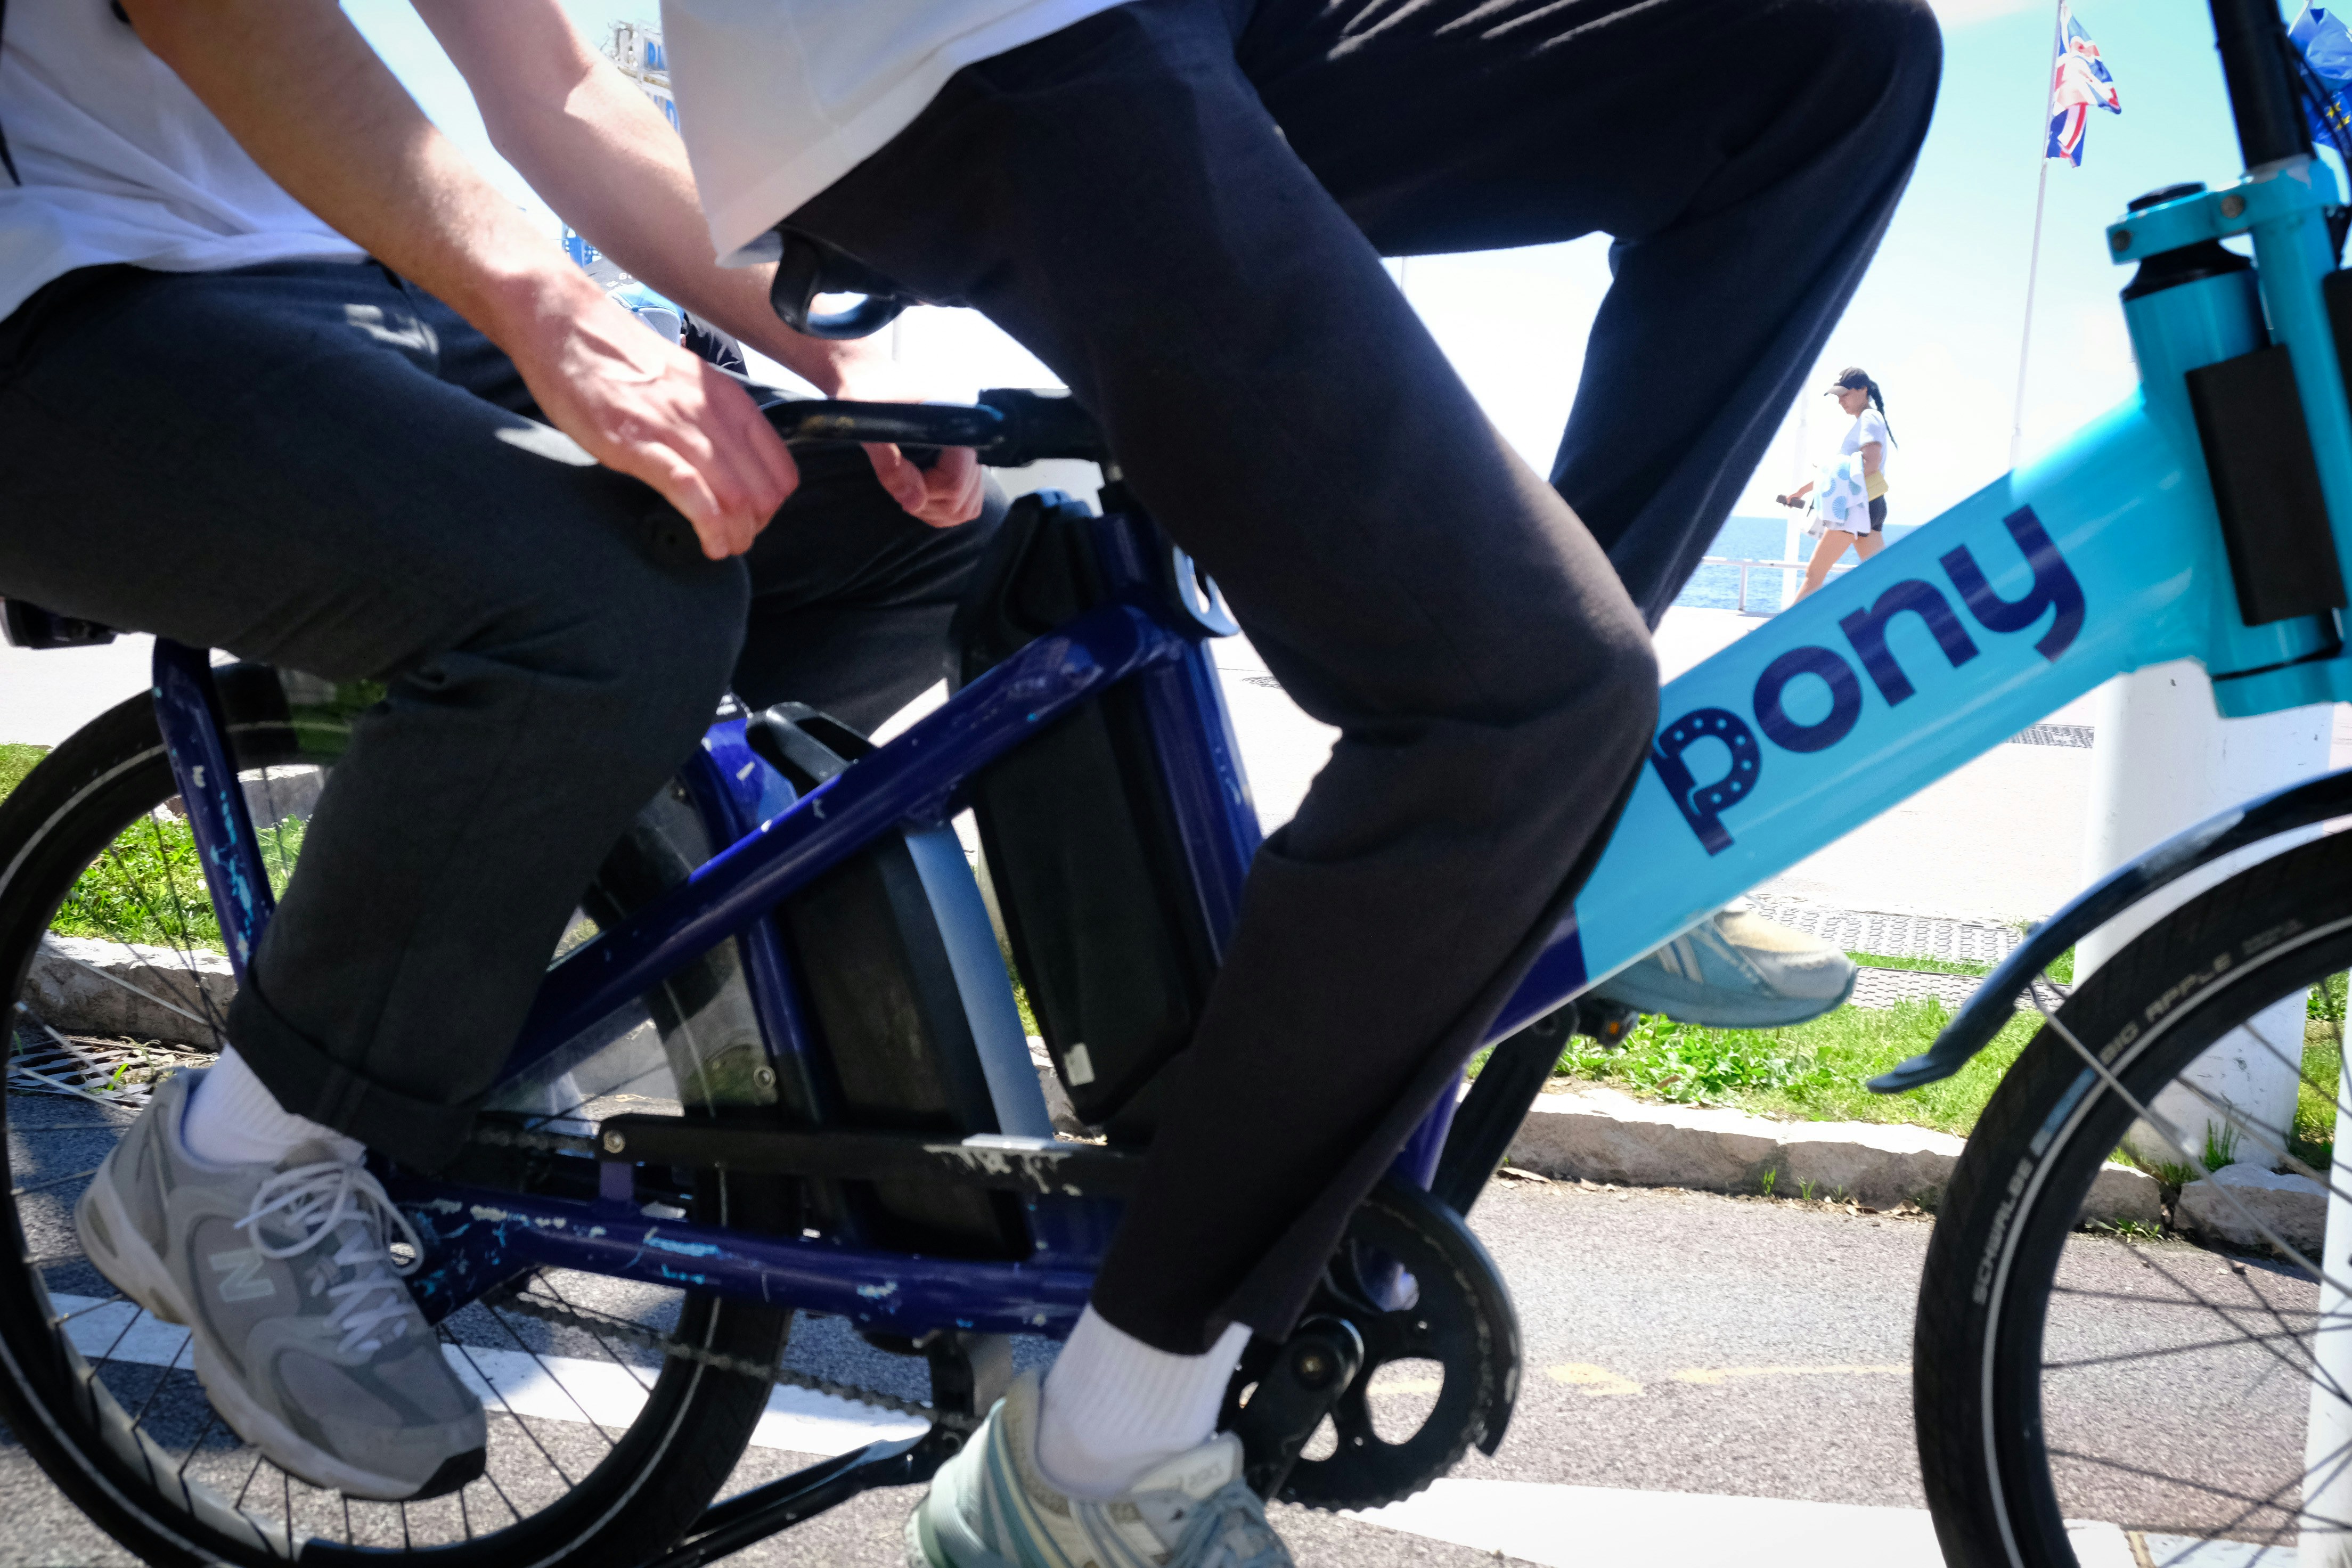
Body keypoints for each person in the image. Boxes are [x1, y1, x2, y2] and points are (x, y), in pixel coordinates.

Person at [652, 2, 1941, 1563]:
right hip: (955, 40)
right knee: (1513, 698)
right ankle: (1092, 1461)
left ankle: (1568, 819)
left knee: (1827, 60)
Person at [0, 0, 994, 1502]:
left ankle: (474, 1011)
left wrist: (824, 352)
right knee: (595, 609)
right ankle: (237, 1161)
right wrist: (546, 305)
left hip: (345, 284)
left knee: (927, 545)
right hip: (64, 296)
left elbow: (557, 82)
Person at [1783, 368, 1897, 602]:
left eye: (1845, 394)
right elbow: (1846, 471)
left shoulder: (1869, 418)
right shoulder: (1866, 420)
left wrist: (1834, 488)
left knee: (1814, 574)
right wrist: (1803, 491)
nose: (1840, 401)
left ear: (1863, 390)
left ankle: (1778, 636)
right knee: (1881, 577)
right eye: (1837, 396)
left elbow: (1870, 463)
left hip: (1856, 507)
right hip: (1871, 504)